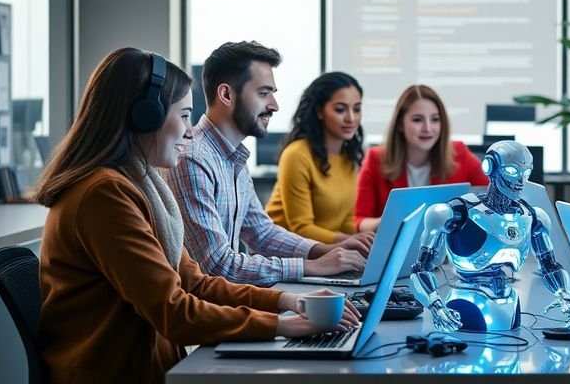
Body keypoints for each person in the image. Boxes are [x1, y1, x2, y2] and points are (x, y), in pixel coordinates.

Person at [34, 48, 359, 383]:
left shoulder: (140, 186)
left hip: (152, 365)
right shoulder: (104, 195)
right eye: (185, 115)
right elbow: (173, 311)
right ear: (144, 116)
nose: (189, 132)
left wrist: (288, 301)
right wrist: (283, 324)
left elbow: (195, 282)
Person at [164, 42, 370, 287]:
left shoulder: (233, 157)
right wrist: (311, 266)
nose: (274, 105)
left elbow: (261, 233)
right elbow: (217, 265)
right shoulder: (193, 159)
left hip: (227, 301)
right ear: (226, 95)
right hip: (204, 313)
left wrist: (325, 250)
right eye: (263, 93)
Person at [354, 84, 488, 232]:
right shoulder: (376, 159)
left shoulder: (459, 155)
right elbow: (360, 221)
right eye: (417, 120)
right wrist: (387, 223)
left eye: (435, 120)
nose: (428, 128)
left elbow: (490, 201)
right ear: (400, 124)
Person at [265, 72, 374, 244]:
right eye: (340, 109)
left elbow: (345, 220)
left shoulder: (349, 157)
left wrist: (371, 236)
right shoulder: (296, 155)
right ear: (319, 111)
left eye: (357, 109)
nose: (351, 118)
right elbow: (301, 228)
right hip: (282, 254)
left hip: (325, 250)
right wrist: (349, 241)